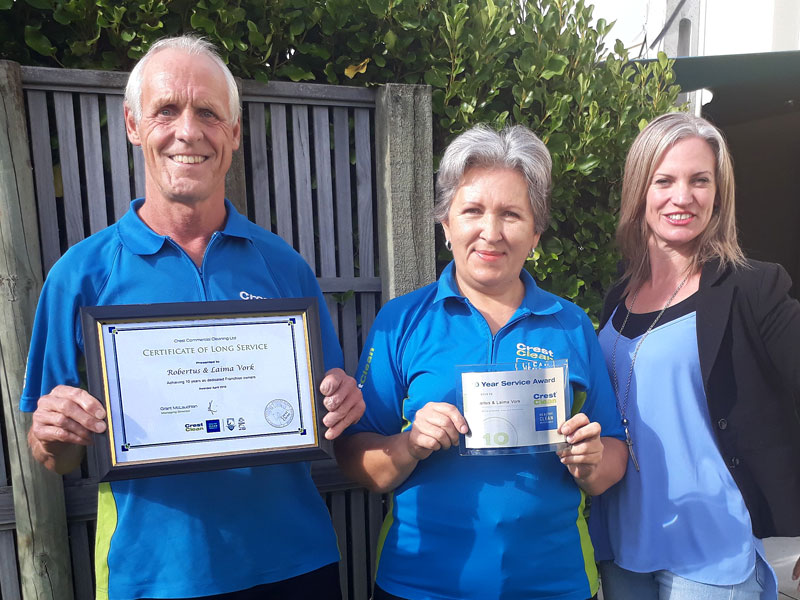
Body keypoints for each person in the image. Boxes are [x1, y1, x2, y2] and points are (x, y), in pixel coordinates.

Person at [23, 35, 364, 600]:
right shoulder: (80, 276)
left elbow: (328, 408)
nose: (188, 130)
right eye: (166, 110)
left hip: (295, 565)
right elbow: (53, 455)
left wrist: (343, 400)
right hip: (154, 578)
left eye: (208, 111)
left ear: (233, 131)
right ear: (134, 125)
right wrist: (55, 431)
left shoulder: (284, 266)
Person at [334, 124, 628, 600]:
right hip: (419, 586)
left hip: (554, 585)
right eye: (473, 210)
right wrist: (409, 444)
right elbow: (357, 462)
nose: (490, 232)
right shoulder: (402, 322)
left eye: (511, 214)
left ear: (535, 233)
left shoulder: (571, 325)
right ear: (446, 224)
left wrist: (591, 462)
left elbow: (613, 452)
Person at [590, 112, 800, 599]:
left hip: (709, 555)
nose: (681, 197)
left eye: (699, 180)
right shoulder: (620, 295)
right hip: (624, 546)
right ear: (640, 190)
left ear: (718, 192)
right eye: (664, 180)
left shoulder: (752, 287)